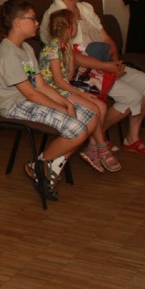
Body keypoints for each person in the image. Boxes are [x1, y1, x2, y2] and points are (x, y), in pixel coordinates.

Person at [43, 0, 145, 156]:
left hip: (103, 66)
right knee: (132, 97)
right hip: (79, 75)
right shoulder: (55, 16)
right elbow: (69, 56)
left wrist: (115, 61)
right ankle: (94, 137)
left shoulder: (86, 8)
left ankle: (131, 138)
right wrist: (108, 67)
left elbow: (105, 38)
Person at [0, 0, 96, 200]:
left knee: (90, 118)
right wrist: (61, 107)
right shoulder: (7, 53)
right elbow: (29, 93)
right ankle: (41, 166)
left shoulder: (27, 48)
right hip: (14, 105)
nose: (37, 23)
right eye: (33, 18)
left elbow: (40, 85)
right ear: (17, 22)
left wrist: (66, 102)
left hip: (29, 99)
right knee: (78, 130)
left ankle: (43, 166)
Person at [38, 9, 120, 172]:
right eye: (75, 24)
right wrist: (81, 93)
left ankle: (93, 148)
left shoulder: (65, 46)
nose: (76, 27)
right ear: (69, 28)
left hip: (64, 87)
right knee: (94, 108)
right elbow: (59, 82)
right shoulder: (53, 49)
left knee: (102, 106)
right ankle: (102, 147)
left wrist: (71, 57)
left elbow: (68, 76)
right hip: (53, 91)